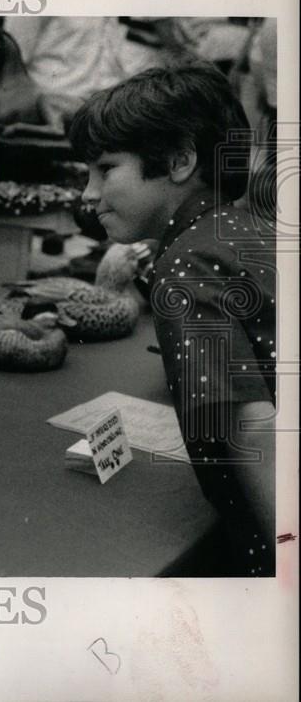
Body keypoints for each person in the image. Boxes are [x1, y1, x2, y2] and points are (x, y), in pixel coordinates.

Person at [69, 64, 277, 576]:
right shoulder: (241, 228)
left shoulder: (186, 265)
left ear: (180, 160)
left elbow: (253, 430)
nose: (87, 194)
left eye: (106, 169)